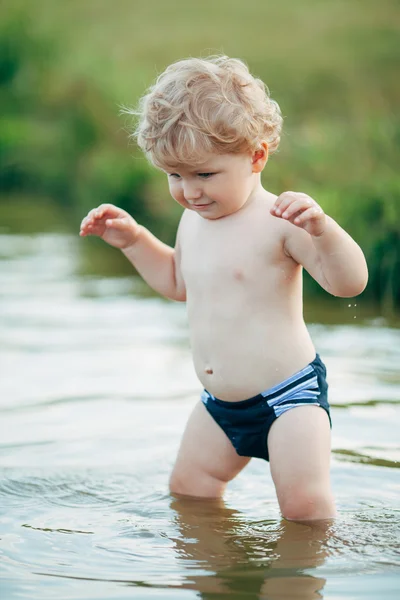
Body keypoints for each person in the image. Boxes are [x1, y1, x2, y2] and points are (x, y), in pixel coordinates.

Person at [79, 56, 368, 521]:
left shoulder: (280, 222)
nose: (190, 192)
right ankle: (218, 576)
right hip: (220, 407)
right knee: (189, 490)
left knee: (304, 508)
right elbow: (178, 282)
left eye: (204, 175)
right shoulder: (193, 220)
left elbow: (348, 283)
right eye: (175, 176)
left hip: (288, 400)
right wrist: (134, 241)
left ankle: (298, 583)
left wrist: (323, 229)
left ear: (256, 155)